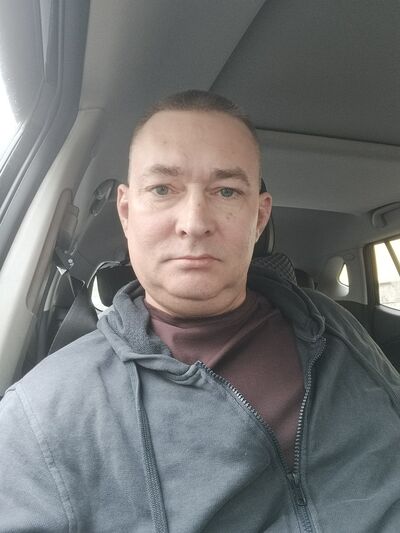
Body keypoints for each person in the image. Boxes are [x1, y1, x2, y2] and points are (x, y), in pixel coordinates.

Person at [0, 90, 399, 533]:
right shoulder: (39, 416)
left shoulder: (332, 324)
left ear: (259, 217)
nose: (194, 222)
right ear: (126, 213)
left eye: (226, 191)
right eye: (162, 189)